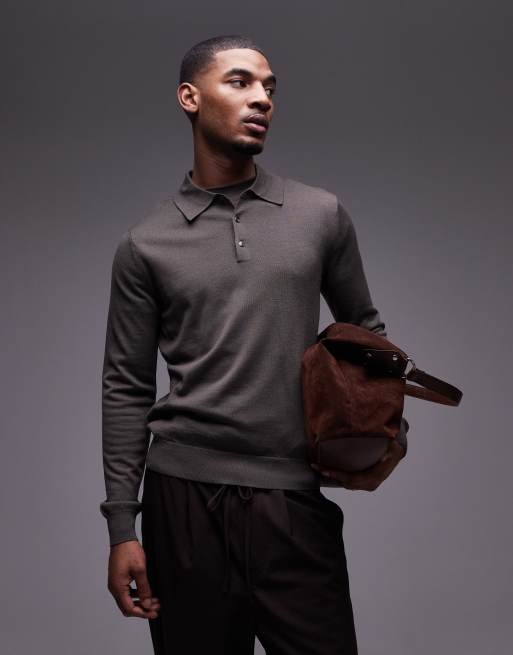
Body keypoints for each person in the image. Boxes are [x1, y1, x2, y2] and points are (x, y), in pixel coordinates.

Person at [99, 34, 409, 655]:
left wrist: (379, 432)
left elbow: (367, 336)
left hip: (292, 501)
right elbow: (126, 388)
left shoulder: (320, 215)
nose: (262, 98)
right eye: (240, 82)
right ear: (190, 98)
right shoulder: (145, 244)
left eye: (270, 87)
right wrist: (122, 528)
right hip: (181, 502)